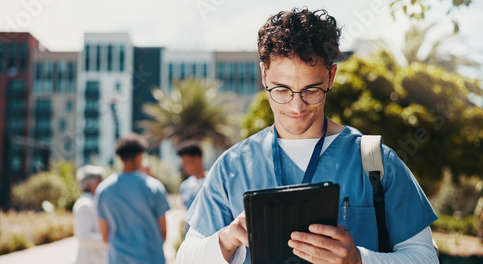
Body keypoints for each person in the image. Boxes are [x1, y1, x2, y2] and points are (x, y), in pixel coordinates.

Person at [176, 7, 439, 264]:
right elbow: (186, 257)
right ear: (264, 75)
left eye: (311, 90)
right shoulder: (231, 166)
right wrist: (225, 239)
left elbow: (426, 257)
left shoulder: (376, 162)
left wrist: (358, 260)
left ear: (331, 77)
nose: (296, 107)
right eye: (282, 90)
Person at [96, 133, 170, 264]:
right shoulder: (154, 186)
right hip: (151, 258)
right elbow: (163, 233)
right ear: (140, 156)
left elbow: (105, 236)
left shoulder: (103, 190)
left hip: (118, 259)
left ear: (119, 158)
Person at [72, 165, 108, 264]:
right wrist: (110, 239)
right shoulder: (85, 204)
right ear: (89, 183)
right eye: (99, 180)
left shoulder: (94, 201)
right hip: (88, 260)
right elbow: (83, 237)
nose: (103, 184)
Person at [177, 141, 207, 210]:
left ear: (198, 159)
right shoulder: (185, 186)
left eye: (186, 163)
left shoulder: (214, 182)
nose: (183, 167)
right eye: (182, 164)